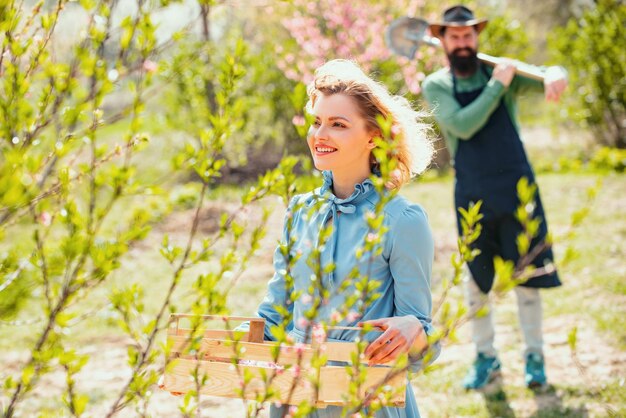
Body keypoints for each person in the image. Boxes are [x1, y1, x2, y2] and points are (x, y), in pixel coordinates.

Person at [250, 59, 438, 417]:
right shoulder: (300, 212)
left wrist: (414, 329)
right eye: (317, 122)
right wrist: (212, 344)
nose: (320, 134)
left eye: (338, 124)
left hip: (366, 400)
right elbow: (274, 314)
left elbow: (421, 337)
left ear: (373, 136)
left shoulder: (402, 220)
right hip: (296, 397)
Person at [421, 5, 567, 390]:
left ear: (476, 37)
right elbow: (464, 127)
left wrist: (556, 74)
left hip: (518, 190)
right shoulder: (435, 84)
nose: (463, 43)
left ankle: (535, 359)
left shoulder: (503, 72)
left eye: (469, 35)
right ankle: (486, 359)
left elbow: (548, 75)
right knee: (476, 280)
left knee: (528, 277)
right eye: (455, 36)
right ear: (443, 41)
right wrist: (497, 85)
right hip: (473, 193)